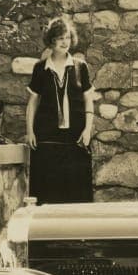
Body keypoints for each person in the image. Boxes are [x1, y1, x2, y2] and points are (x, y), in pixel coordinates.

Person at [25, 17, 95, 204]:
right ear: (51, 41)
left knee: (76, 188)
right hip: (48, 137)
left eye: (67, 38)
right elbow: (33, 101)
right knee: (48, 189)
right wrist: (30, 131)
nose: (65, 42)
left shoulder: (81, 67)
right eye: (60, 38)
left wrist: (87, 130)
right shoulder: (40, 68)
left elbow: (89, 100)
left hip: (76, 138)